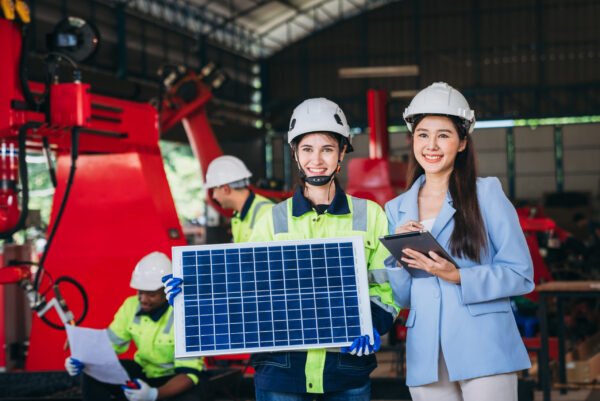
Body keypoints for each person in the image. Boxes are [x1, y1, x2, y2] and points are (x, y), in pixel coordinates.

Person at [164, 98, 399, 401]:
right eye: (307, 149)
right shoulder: (271, 220)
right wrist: (193, 296)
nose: (317, 159)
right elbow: (244, 287)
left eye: (327, 149)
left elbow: (386, 285)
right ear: (295, 154)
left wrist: (372, 322)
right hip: (282, 373)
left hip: (345, 370)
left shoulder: (371, 215)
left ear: (342, 152)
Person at [384, 82, 534, 401]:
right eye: (423, 134)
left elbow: (521, 274)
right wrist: (397, 263)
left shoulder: (486, 195)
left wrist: (458, 275)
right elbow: (406, 297)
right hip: (426, 353)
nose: (432, 145)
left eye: (444, 135)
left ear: (462, 143)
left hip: (484, 347)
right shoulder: (397, 208)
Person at [65, 252, 205, 401]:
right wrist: (83, 359)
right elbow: (108, 345)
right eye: (140, 292)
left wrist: (154, 395)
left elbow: (189, 374)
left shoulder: (185, 314)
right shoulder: (131, 306)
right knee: (93, 372)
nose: (143, 300)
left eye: (151, 294)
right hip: (144, 373)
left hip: (174, 379)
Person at [204, 155, 273, 243]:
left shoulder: (267, 213)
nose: (213, 196)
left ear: (225, 189)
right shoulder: (238, 217)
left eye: (214, 189)